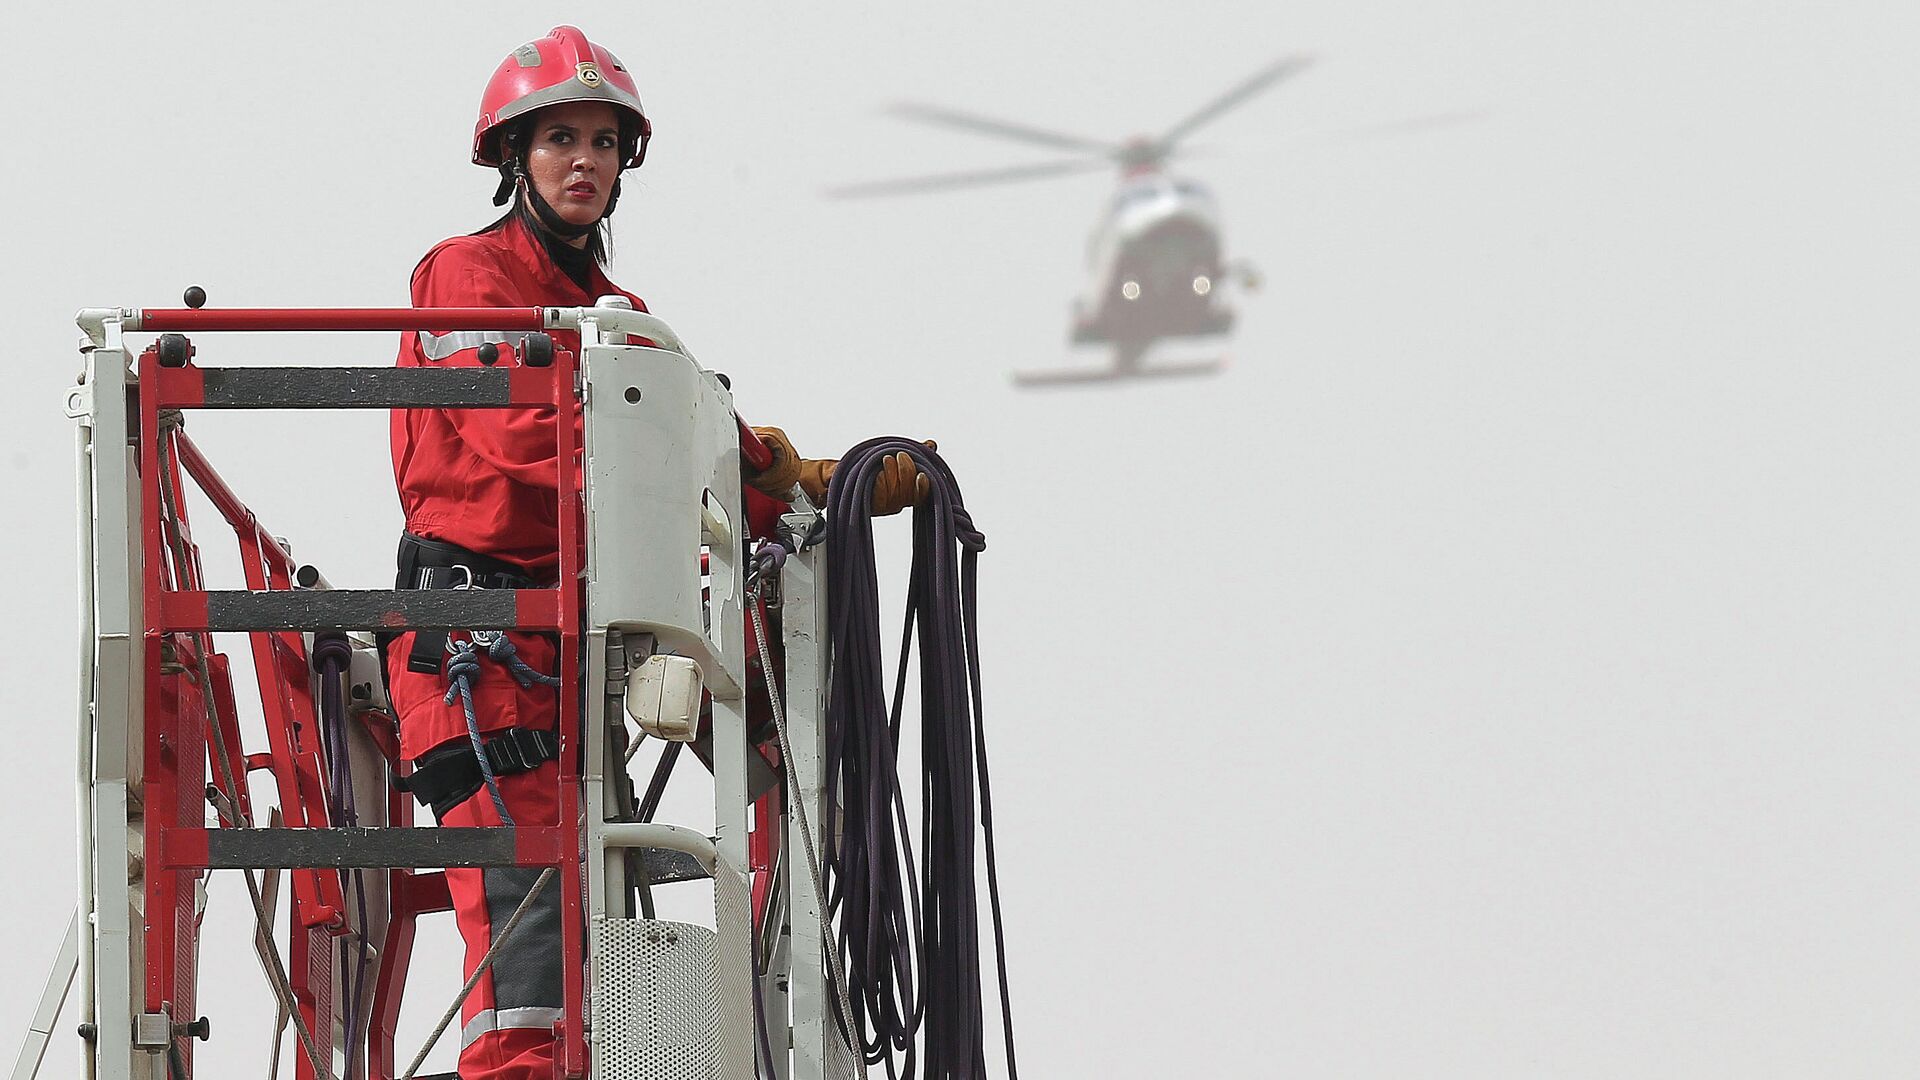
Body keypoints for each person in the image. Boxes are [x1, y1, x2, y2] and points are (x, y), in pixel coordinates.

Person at [385, 26, 923, 1079]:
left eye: (602, 142)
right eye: (558, 140)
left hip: (566, 663)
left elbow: (690, 469)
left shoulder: (624, 321)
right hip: (479, 658)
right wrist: (766, 462)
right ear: (512, 158)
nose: (583, 161)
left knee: (592, 965)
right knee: (528, 979)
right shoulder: (466, 275)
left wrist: (823, 488)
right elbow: (537, 440)